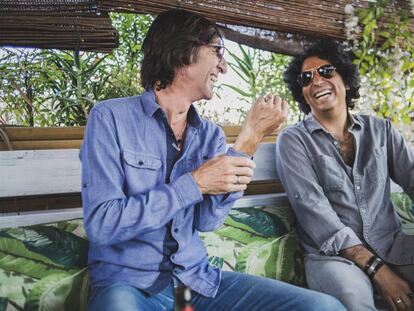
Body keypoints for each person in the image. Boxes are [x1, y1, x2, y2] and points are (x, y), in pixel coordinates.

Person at [81, 9, 345, 311]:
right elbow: (103, 224)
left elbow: (207, 221)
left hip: (192, 288)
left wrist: (249, 140)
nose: (224, 66)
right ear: (182, 50)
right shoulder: (111, 118)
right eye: (218, 51)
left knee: (324, 308)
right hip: (129, 287)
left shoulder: (209, 135)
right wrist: (194, 184)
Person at [277, 39, 414, 311]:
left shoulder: (380, 130)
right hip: (333, 258)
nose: (316, 81)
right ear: (301, 92)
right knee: (353, 298)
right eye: (306, 78)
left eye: (326, 71)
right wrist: (379, 271)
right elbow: (314, 211)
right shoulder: (293, 141)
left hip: (392, 246)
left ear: (346, 81)